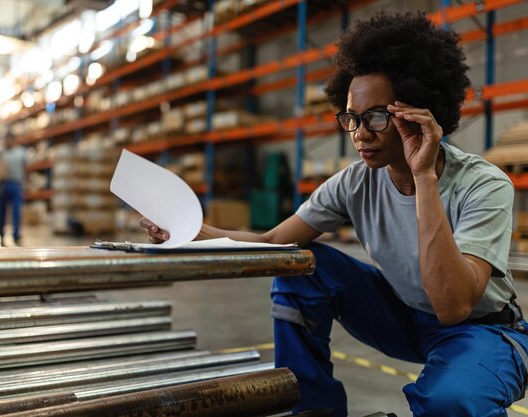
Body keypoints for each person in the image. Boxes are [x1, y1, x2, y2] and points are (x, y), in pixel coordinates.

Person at [140, 10, 528, 417]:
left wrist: (424, 179)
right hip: (405, 320)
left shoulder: (485, 185)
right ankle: (313, 408)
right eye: (352, 119)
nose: (360, 133)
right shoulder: (355, 181)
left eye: (377, 117)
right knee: (301, 263)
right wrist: (191, 231)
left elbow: (453, 306)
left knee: (452, 402)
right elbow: (274, 242)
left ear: (418, 111)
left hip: (481, 329)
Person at [0, 132, 27, 247]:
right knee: (2, 211)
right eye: (5, 140)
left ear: (13, 140)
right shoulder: (1, 153)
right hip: (3, 184)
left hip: (16, 184)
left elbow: (25, 169)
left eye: (8, 140)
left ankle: (16, 235)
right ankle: (1, 234)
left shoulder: (21, 153)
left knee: (16, 211)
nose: (6, 142)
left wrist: (26, 184)